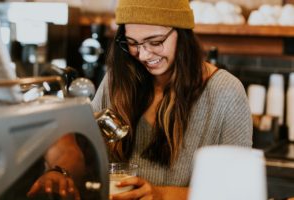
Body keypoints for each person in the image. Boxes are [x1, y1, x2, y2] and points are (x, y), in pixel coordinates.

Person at [90, 0, 253, 199]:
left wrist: (162, 194)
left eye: (156, 42)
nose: (143, 54)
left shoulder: (225, 92)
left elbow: (238, 191)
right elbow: (85, 149)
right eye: (132, 43)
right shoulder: (117, 81)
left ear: (182, 33)